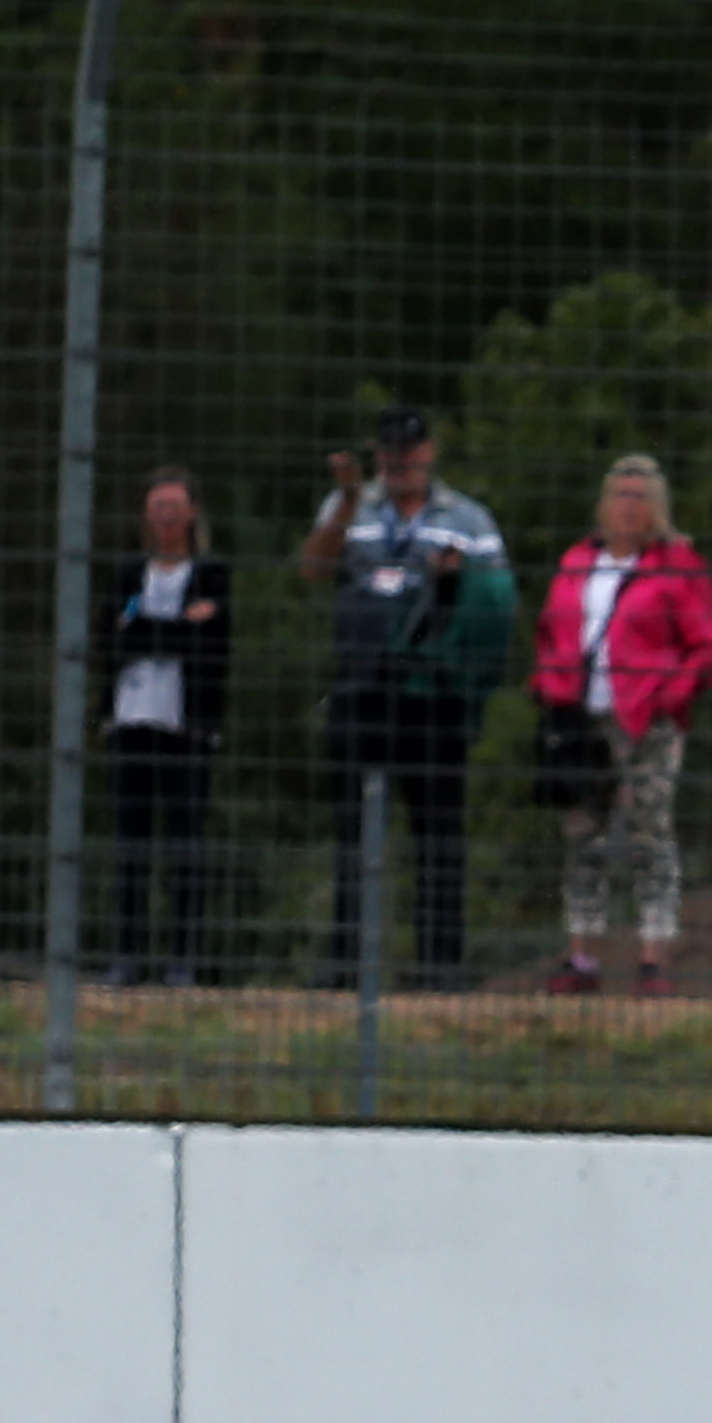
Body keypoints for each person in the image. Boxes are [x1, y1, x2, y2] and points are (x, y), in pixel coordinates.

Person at [297, 406, 516, 988]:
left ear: (430, 452)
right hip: (360, 690)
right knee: (353, 830)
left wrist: (456, 578)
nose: (399, 462)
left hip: (433, 697)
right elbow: (314, 567)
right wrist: (344, 501)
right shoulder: (351, 506)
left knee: (439, 832)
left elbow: (497, 601)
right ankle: (347, 960)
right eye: (388, 451)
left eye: (410, 451)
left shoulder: (467, 517)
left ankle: (439, 966)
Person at [530, 454, 712, 997]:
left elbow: (710, 647)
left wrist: (670, 694)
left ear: (658, 507)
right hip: (582, 720)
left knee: (651, 835)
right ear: (604, 503)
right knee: (583, 838)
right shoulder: (577, 562)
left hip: (649, 719)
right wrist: (549, 687)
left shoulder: (679, 566)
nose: (629, 506)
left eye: (640, 496)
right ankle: (582, 958)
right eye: (620, 494)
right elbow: (551, 632)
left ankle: (653, 958)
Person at [90, 466, 230, 988]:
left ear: (192, 511)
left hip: (186, 727)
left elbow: (213, 645)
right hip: (131, 720)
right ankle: (126, 954)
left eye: (174, 505)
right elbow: (113, 636)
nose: (166, 516)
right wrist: (176, 628)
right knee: (131, 844)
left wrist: (148, 630)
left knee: (185, 844)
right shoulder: (130, 574)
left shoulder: (212, 574)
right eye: (157, 506)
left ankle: (182, 958)